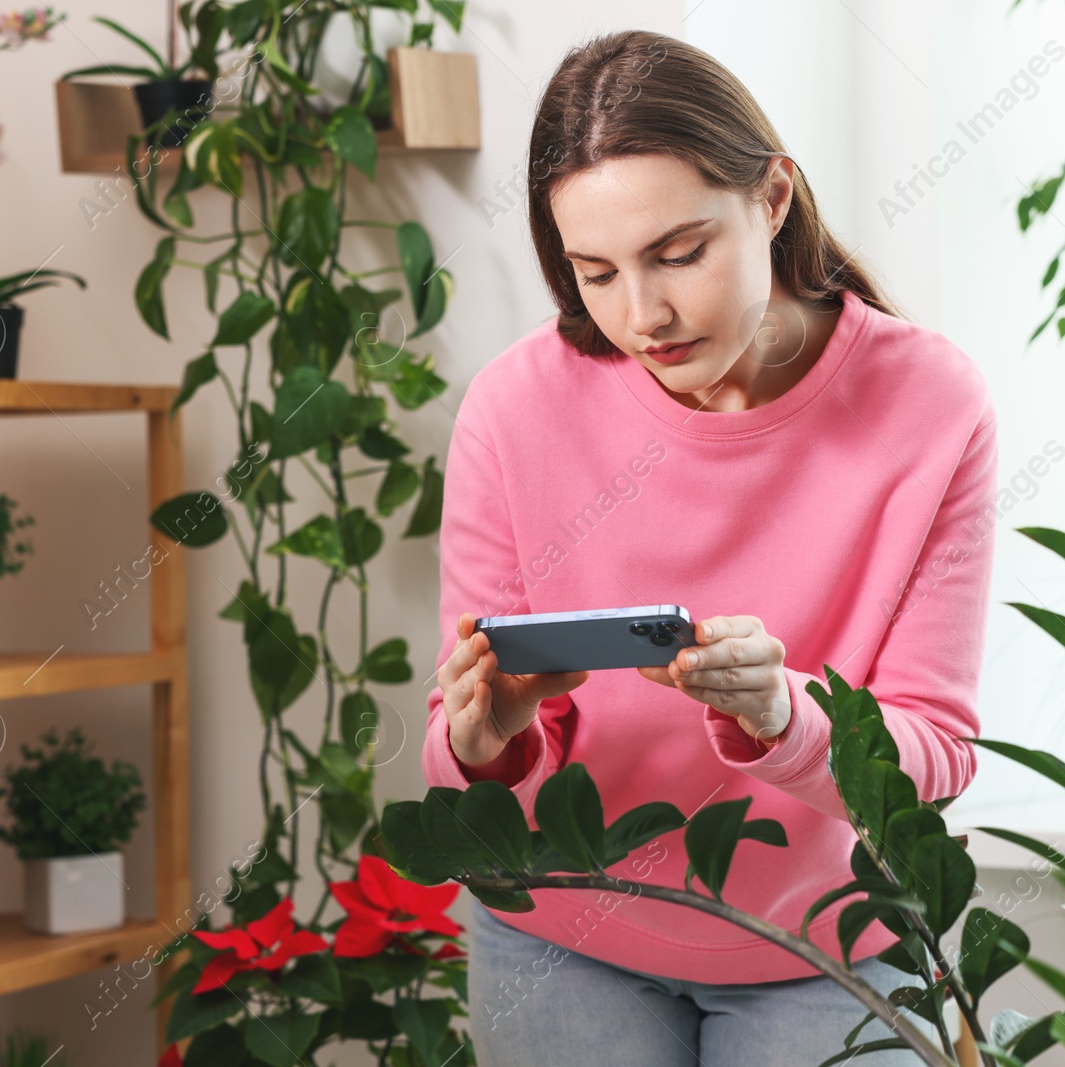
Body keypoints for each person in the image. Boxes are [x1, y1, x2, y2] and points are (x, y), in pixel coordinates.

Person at [421, 28, 997, 1066]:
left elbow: (937, 756)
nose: (642, 314)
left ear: (772, 199)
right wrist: (489, 736)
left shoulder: (929, 404)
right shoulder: (514, 404)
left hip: (830, 949)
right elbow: (457, 743)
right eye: (593, 271)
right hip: (561, 932)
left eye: (677, 254)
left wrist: (786, 715)